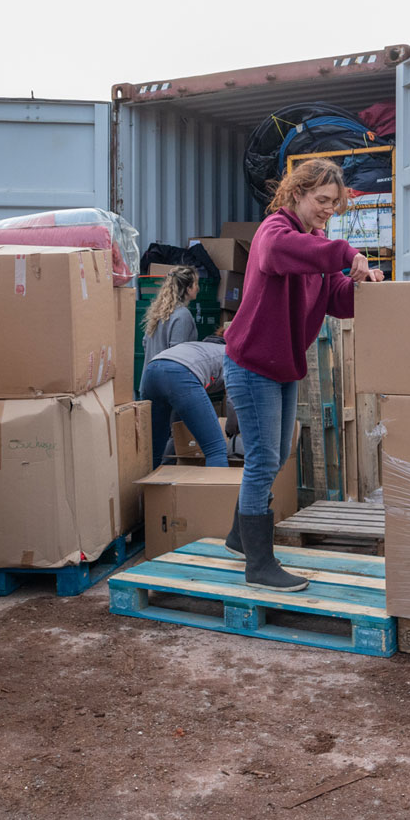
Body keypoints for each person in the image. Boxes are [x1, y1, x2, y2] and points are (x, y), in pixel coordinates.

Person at [222, 158, 383, 591]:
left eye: (334, 203)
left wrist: (363, 284)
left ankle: (240, 537)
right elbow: (285, 256)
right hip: (252, 365)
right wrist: (348, 253)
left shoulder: (315, 241)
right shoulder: (274, 232)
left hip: (283, 367)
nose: (328, 209)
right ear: (298, 193)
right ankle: (259, 564)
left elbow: (336, 295)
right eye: (322, 200)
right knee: (262, 461)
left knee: (274, 455)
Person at [138, 336, 229, 469]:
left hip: (151, 371)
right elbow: (233, 402)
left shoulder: (199, 349)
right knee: (215, 449)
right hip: (180, 373)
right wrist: (232, 429)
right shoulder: (232, 357)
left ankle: (147, 489)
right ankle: (218, 490)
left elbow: (182, 413)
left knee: (154, 448)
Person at [142, 266, 200, 363]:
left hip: (151, 373)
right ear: (188, 288)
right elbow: (178, 355)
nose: (198, 288)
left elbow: (145, 342)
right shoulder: (182, 315)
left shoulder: (159, 311)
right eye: (195, 284)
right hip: (168, 376)